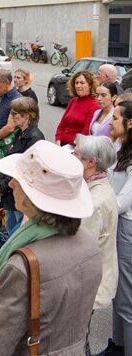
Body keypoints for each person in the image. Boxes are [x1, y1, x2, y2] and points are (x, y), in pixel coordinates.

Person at [0, 141, 102, 355]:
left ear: (33, 199)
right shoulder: (87, 242)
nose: (12, 184)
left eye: (19, 180)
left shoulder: (23, 265)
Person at [98, 100, 132, 355]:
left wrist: (95, 204)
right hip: (117, 223)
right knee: (119, 293)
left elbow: (121, 202)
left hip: (127, 229)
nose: (111, 121)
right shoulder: (120, 147)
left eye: (116, 118)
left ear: (130, 123)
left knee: (126, 298)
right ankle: (117, 344)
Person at [73, 135, 118, 316]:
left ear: (91, 162)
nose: (72, 158)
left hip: (86, 286)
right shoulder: (93, 186)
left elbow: (79, 251)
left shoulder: (95, 202)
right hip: (86, 281)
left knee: (77, 335)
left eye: (76, 155)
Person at [0, 97, 45, 234]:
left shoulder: (34, 138)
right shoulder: (20, 133)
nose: (11, 117)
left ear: (27, 115)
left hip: (20, 193)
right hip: (10, 192)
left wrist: (5, 184)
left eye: (14, 114)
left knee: (17, 232)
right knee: (9, 228)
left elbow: (27, 169)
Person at [55, 70, 100, 147]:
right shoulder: (73, 101)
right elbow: (62, 124)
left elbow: (86, 131)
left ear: (90, 85)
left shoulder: (94, 105)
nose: (78, 86)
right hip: (61, 145)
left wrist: (72, 144)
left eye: (82, 83)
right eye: (76, 83)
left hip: (75, 147)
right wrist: (58, 140)